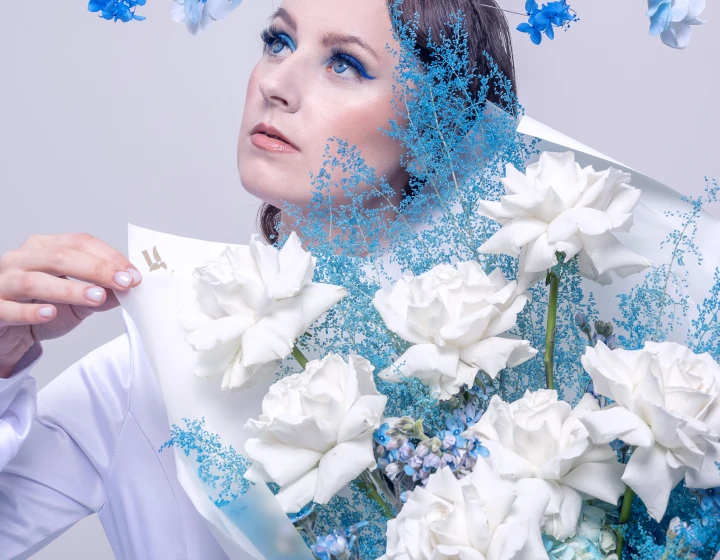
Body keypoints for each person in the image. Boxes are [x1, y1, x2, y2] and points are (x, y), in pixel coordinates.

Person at [0, 0, 515, 557]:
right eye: (278, 42)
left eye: (344, 63)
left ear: (438, 129)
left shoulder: (518, 357)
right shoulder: (149, 370)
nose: (277, 84)